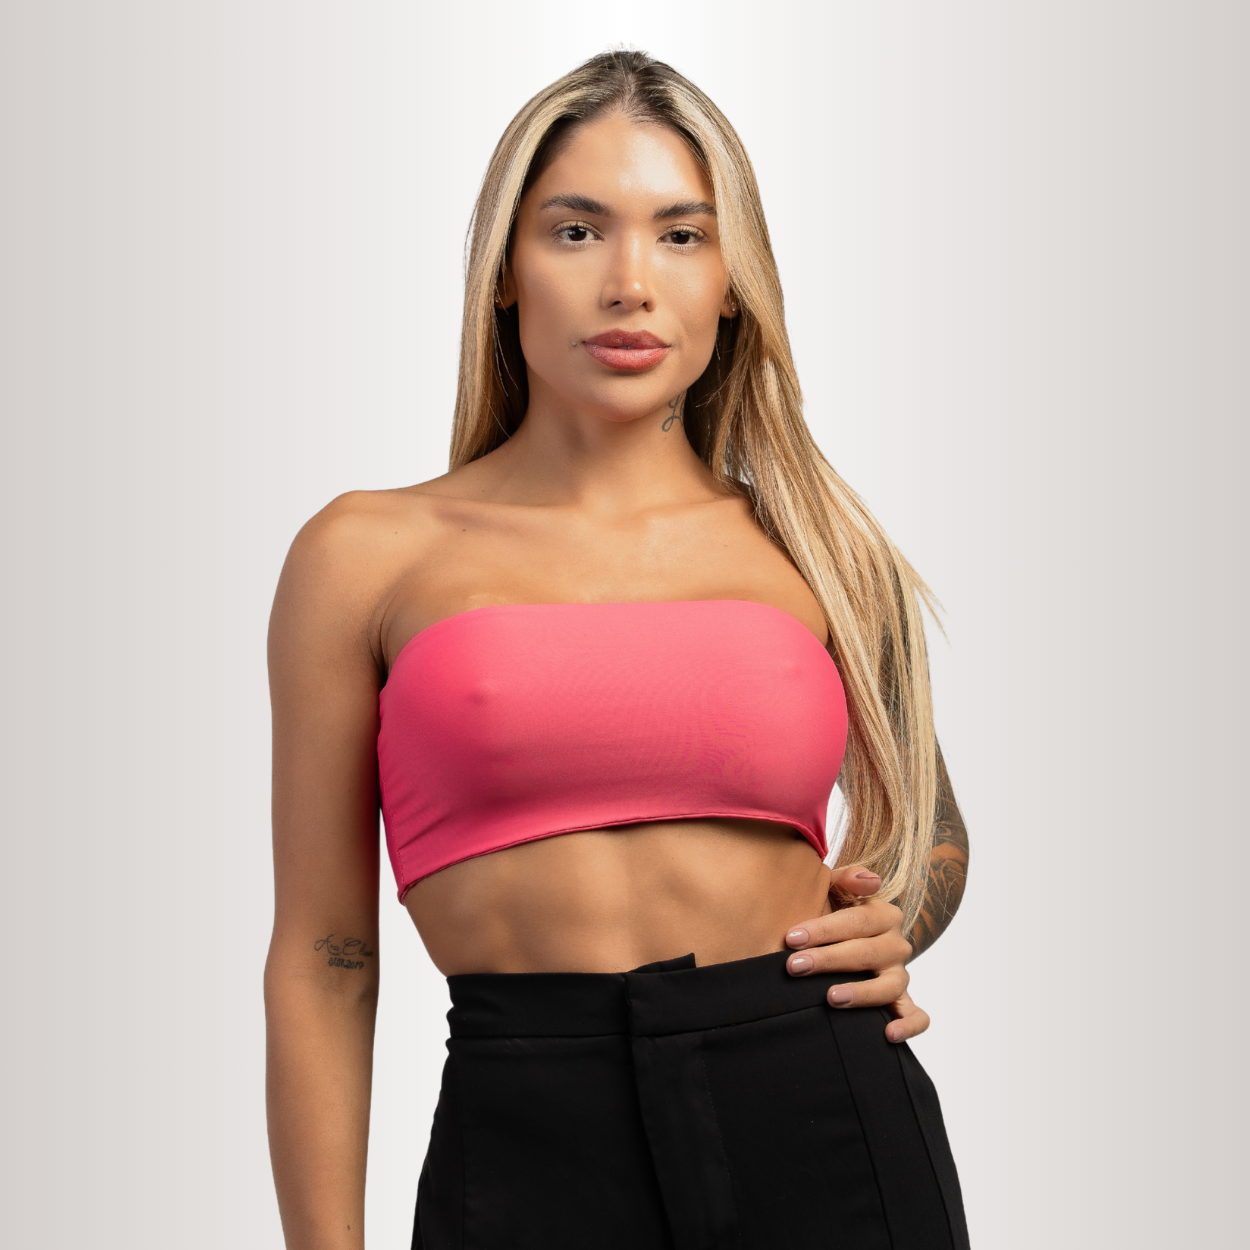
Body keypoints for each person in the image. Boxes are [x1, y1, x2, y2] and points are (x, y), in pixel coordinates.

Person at [265, 50, 971, 1250]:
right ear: (505, 270)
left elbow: (929, 828)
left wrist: (896, 909)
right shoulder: (363, 554)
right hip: (523, 1132)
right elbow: (326, 957)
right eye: (577, 230)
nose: (630, 283)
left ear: (733, 283)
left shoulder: (821, 547)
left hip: (823, 1116)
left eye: (682, 236)